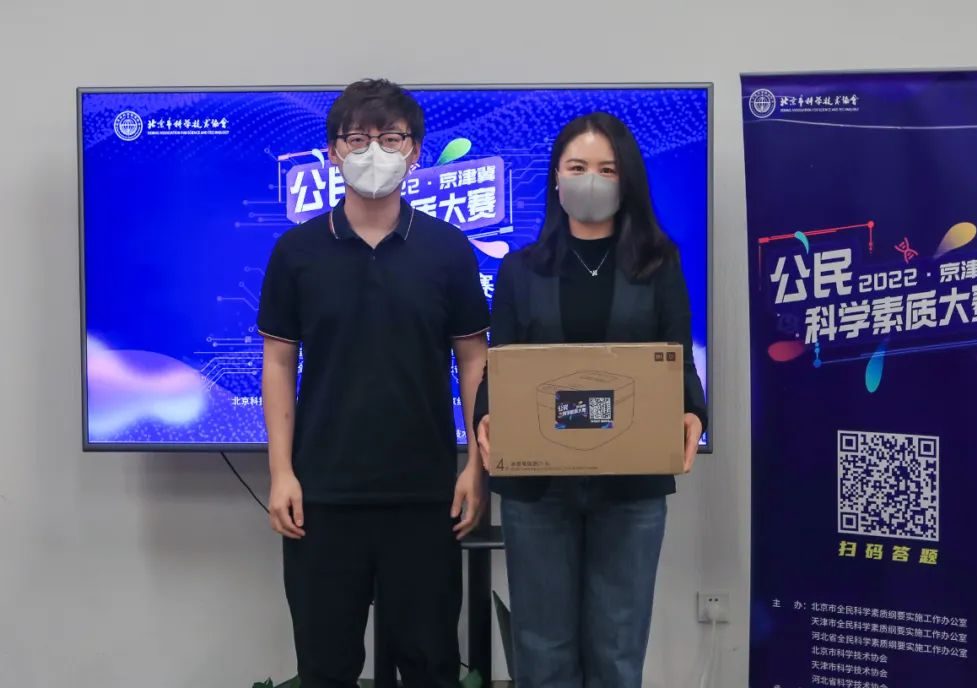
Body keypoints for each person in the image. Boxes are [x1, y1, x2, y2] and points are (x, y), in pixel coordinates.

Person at [257, 79, 490, 688]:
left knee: (431, 665)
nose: (373, 152)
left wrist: (476, 466)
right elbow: (278, 364)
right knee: (325, 668)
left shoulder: (448, 250)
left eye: (390, 138)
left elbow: (474, 361)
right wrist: (280, 473)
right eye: (357, 138)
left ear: (414, 152)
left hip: (426, 495)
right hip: (322, 496)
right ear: (333, 151)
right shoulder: (297, 252)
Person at [474, 112, 708, 688]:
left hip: (630, 487)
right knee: (542, 650)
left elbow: (678, 359)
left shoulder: (659, 266)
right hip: (538, 488)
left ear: (627, 180)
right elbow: (500, 365)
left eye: (607, 169)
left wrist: (693, 412)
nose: (591, 180)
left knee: (617, 651)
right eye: (578, 167)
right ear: (556, 177)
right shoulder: (521, 270)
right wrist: (483, 417)